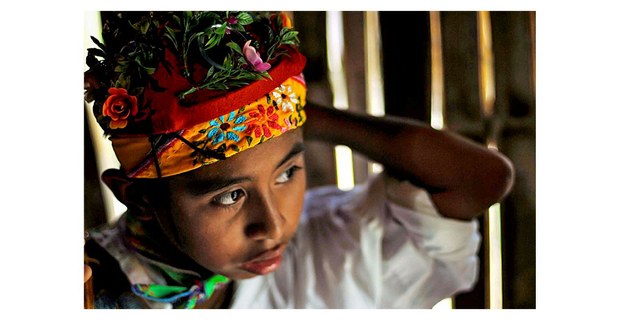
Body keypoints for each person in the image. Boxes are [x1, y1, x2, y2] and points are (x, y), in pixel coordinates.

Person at [84, 11, 514, 309]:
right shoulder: (88, 289)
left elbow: (484, 178)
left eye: (287, 171)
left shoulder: (332, 249)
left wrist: (295, 113)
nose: (273, 225)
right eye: (231, 195)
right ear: (138, 198)